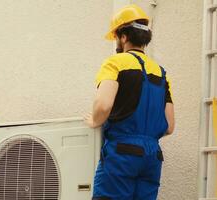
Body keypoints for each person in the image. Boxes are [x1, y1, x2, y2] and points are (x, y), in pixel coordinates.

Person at [84, 4, 175, 200]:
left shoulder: (115, 63)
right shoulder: (161, 73)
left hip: (122, 154)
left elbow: (103, 105)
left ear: (124, 36)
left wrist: (94, 121)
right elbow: (169, 127)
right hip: (152, 157)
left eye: (117, 36)